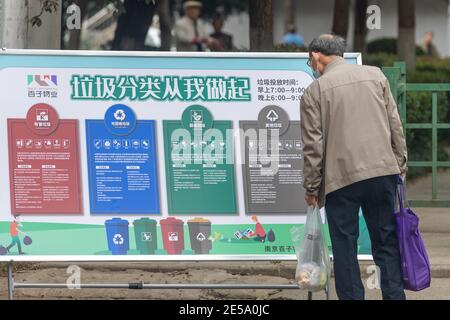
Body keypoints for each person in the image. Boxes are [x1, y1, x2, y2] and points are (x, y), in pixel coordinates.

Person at [300, 34, 407, 300]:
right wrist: (399, 165)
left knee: (345, 247)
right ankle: (394, 296)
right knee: (385, 241)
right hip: (383, 172)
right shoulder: (376, 76)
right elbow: (396, 125)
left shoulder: (314, 91)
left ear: (316, 56)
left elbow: (314, 147)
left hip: (341, 180)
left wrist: (312, 187)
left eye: (309, 60)